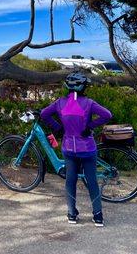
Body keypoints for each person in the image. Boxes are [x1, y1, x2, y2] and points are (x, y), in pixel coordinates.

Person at [41, 72, 112, 227]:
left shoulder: (60, 103)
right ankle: (98, 216)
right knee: (92, 180)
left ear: (68, 87)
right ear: (83, 87)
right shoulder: (89, 103)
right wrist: (90, 126)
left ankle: (72, 214)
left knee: (70, 180)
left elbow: (44, 114)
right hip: (87, 148)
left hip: (69, 148)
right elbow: (107, 115)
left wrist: (57, 127)